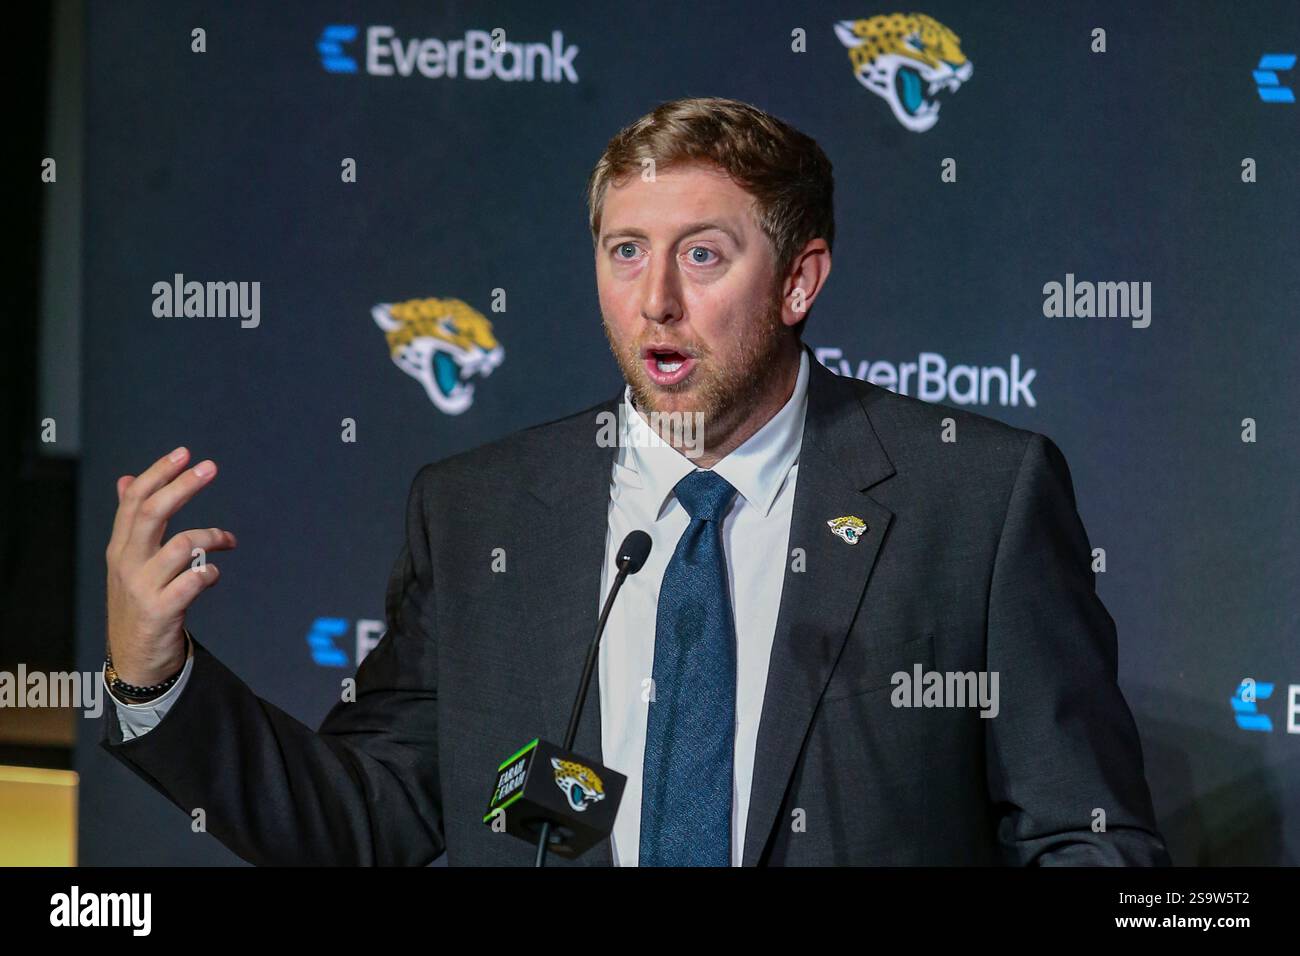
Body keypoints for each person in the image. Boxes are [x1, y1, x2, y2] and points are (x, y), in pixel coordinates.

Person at [100, 96, 1170, 866]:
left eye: (702, 255)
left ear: (798, 277)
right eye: (624, 251)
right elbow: (366, 815)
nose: (654, 298)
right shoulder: (479, 511)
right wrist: (158, 681)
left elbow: (1086, 838)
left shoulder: (973, 498)